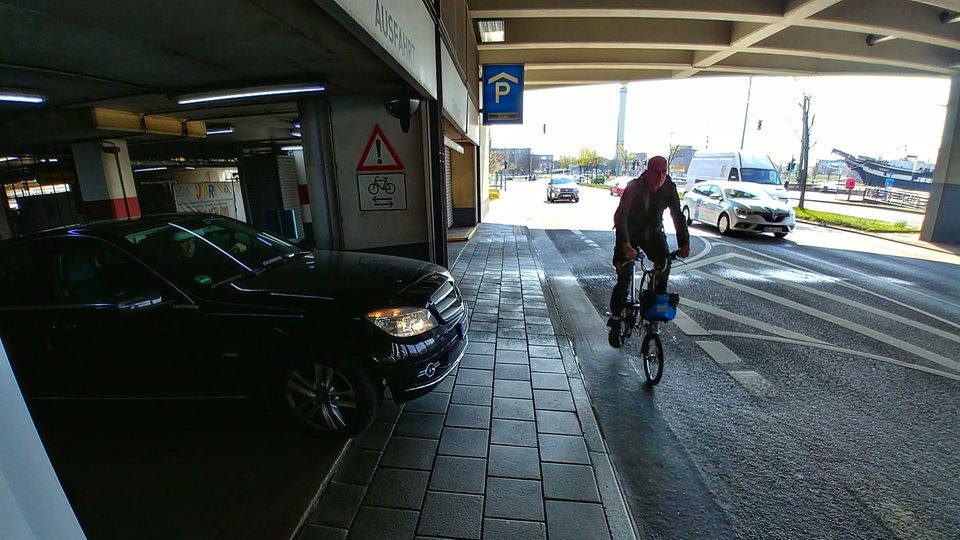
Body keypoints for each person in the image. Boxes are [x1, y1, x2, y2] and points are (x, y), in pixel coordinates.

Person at [607, 155, 691, 348]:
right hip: (630, 231)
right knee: (624, 275)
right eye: (657, 172)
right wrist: (625, 245)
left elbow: (677, 216)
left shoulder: (669, 187)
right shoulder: (635, 187)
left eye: (664, 172)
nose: (661, 176)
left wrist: (684, 243)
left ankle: (655, 306)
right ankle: (616, 321)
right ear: (648, 171)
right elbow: (622, 216)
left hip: (652, 233)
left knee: (664, 263)